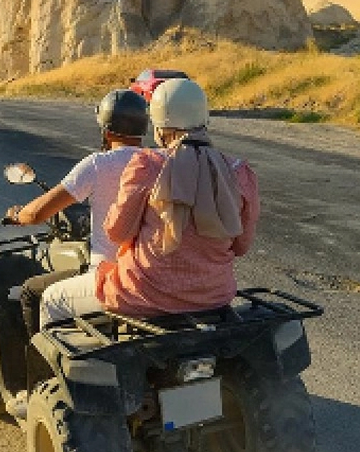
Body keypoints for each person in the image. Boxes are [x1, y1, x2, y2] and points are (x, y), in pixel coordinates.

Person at [94, 78, 260, 318]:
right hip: (213, 299)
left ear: (159, 127)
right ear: (204, 120)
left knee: (50, 299)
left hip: (141, 297)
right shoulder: (239, 172)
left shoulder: (147, 165)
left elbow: (117, 233)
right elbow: (241, 246)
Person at [4, 89, 149, 337]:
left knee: (32, 292)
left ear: (106, 128)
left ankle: (41, 373)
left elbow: (38, 213)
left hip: (111, 277)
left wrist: (18, 216)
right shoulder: (159, 161)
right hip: (152, 274)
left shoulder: (98, 164)